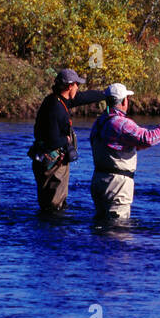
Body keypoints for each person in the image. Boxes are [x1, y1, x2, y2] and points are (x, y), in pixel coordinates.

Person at [89, 83, 160, 222]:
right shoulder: (121, 123)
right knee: (117, 230)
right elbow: (147, 138)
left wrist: (159, 138)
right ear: (125, 101)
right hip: (117, 185)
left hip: (100, 181)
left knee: (101, 226)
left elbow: (120, 147)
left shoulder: (99, 122)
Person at [30, 68, 106, 212]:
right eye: (77, 85)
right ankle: (55, 233)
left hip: (46, 162)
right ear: (70, 86)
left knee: (48, 205)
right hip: (53, 165)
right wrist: (66, 139)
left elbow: (83, 97)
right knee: (54, 207)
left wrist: (104, 94)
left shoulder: (56, 100)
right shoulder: (56, 108)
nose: (78, 88)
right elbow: (52, 141)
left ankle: (46, 231)